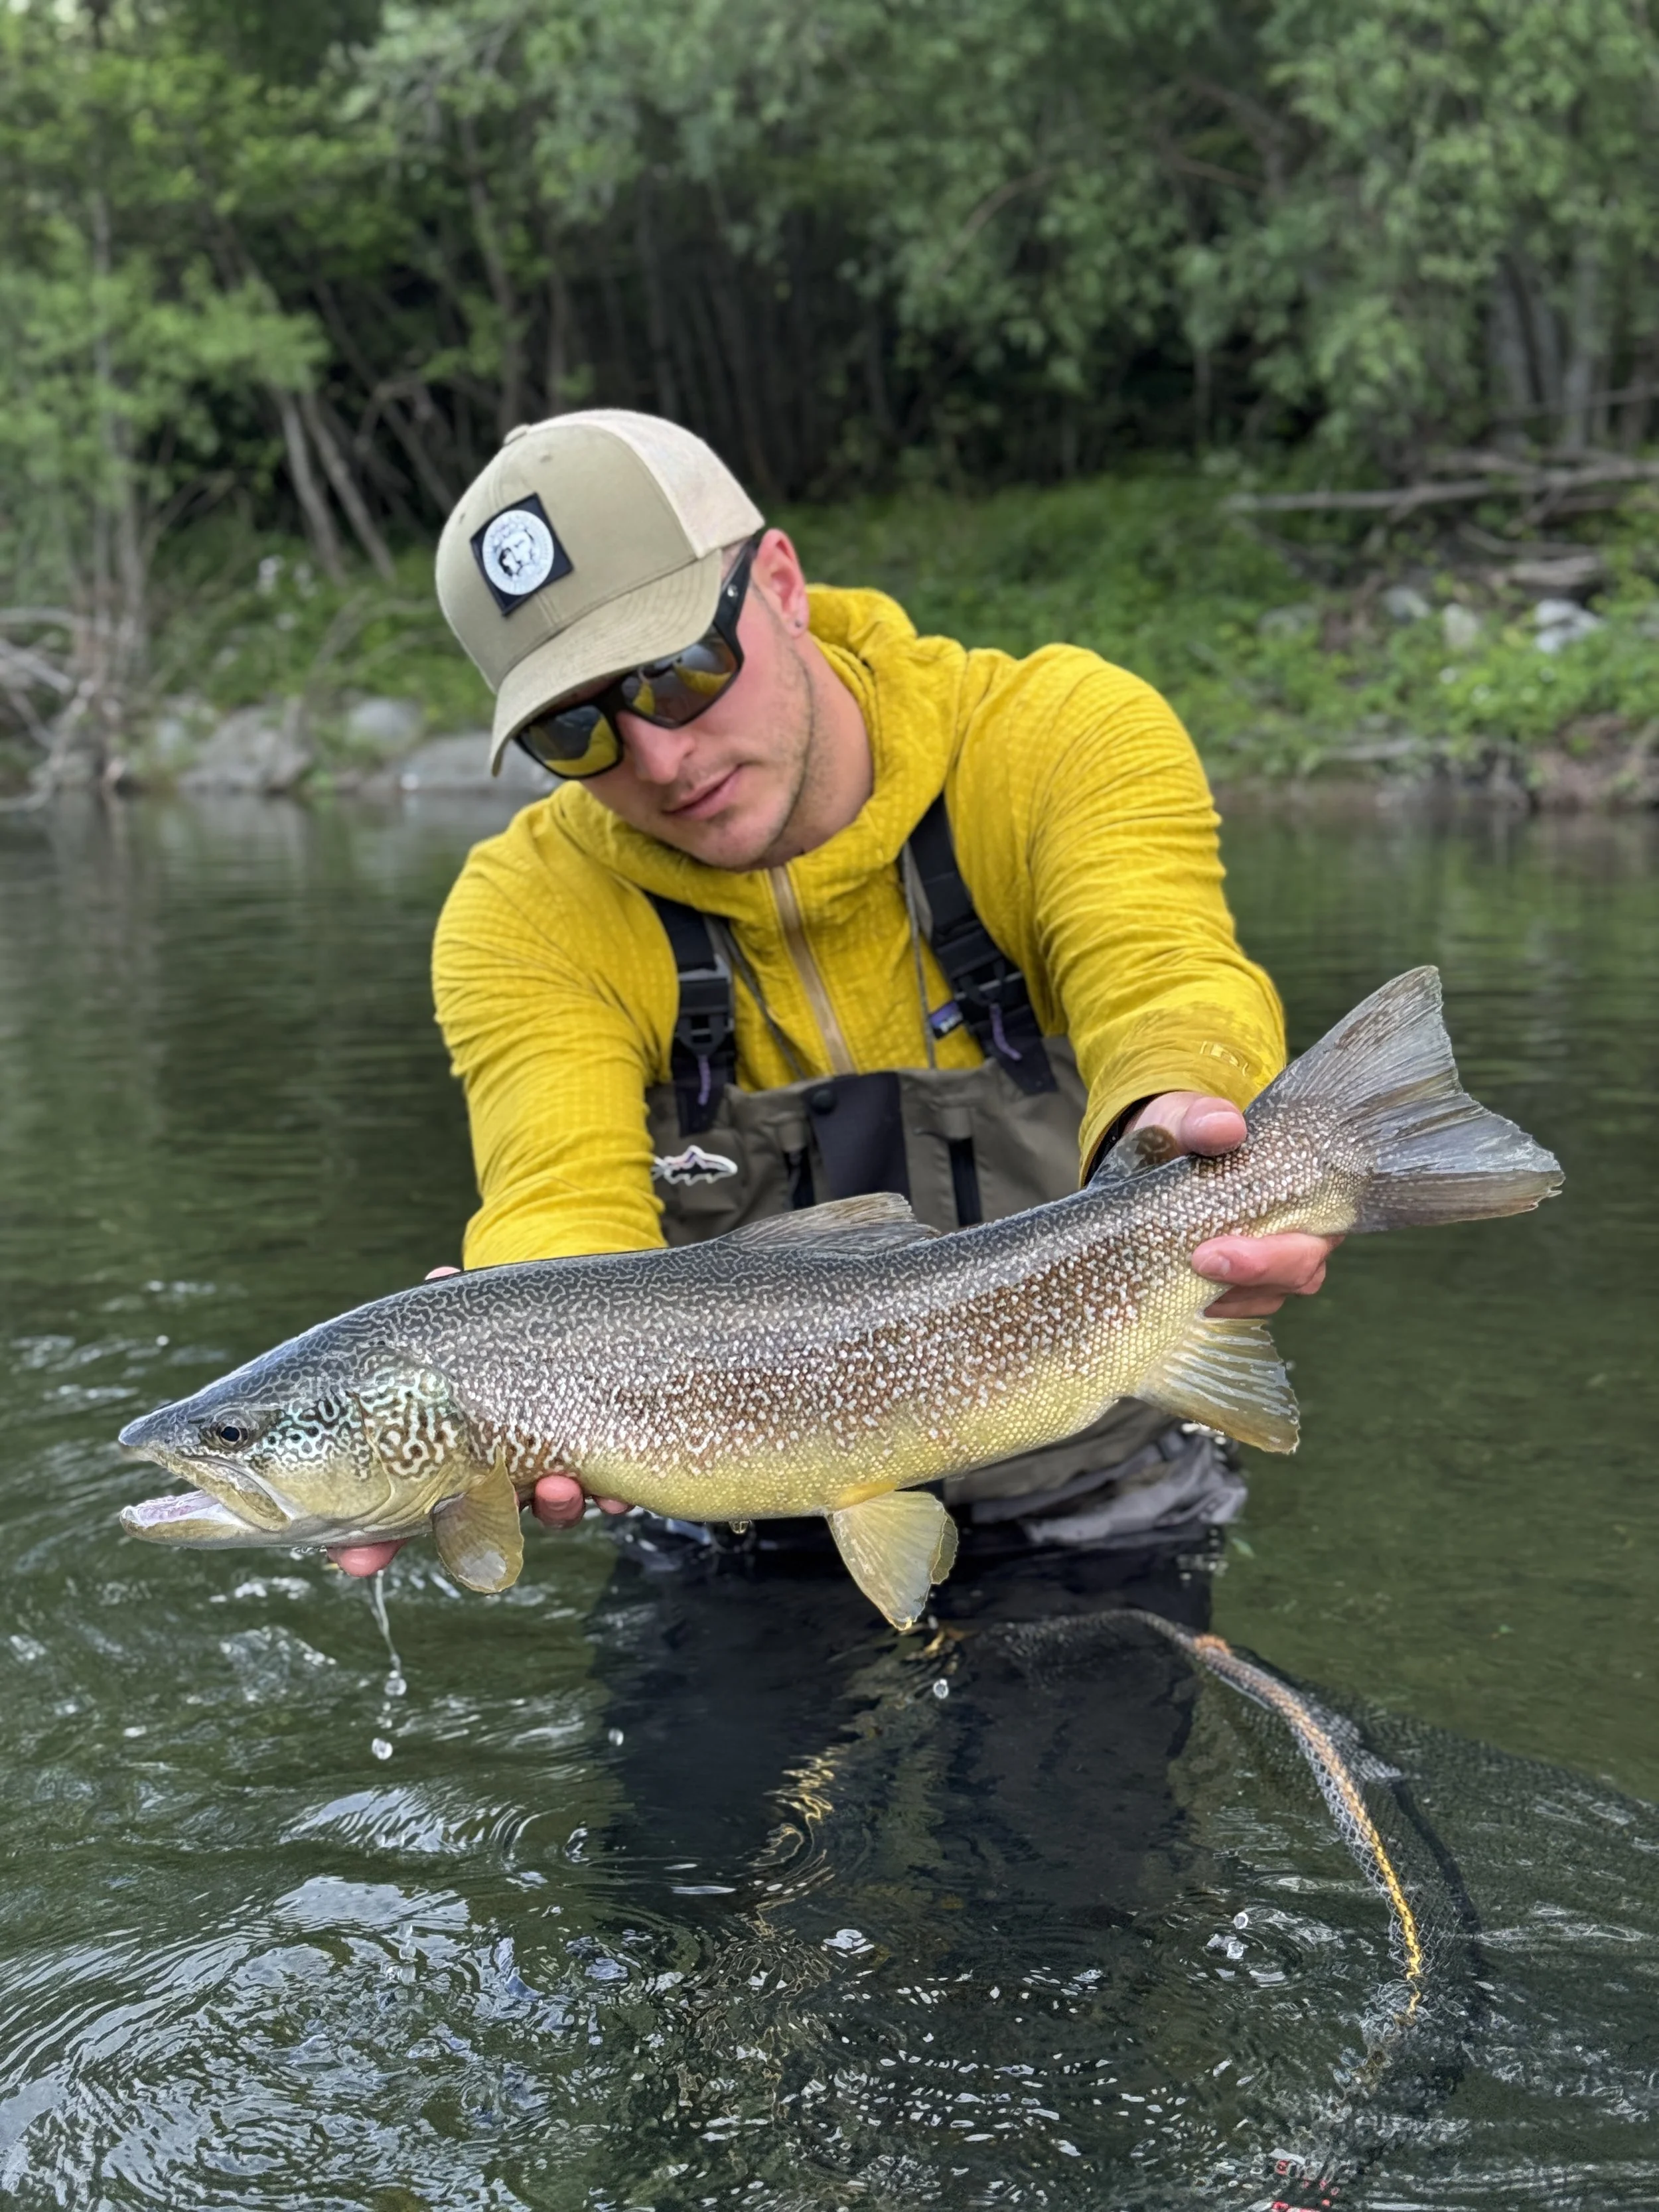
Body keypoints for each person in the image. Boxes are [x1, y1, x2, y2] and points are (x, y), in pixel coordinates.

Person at [332, 408, 1336, 1584]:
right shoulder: (525, 909)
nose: (659, 760)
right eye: (574, 730)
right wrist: (501, 1341)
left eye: (679, 673)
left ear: (780, 582)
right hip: (735, 1525)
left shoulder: (1057, 736)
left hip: (1101, 1483)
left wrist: (1192, 1119)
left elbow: (1165, 982)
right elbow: (560, 1199)